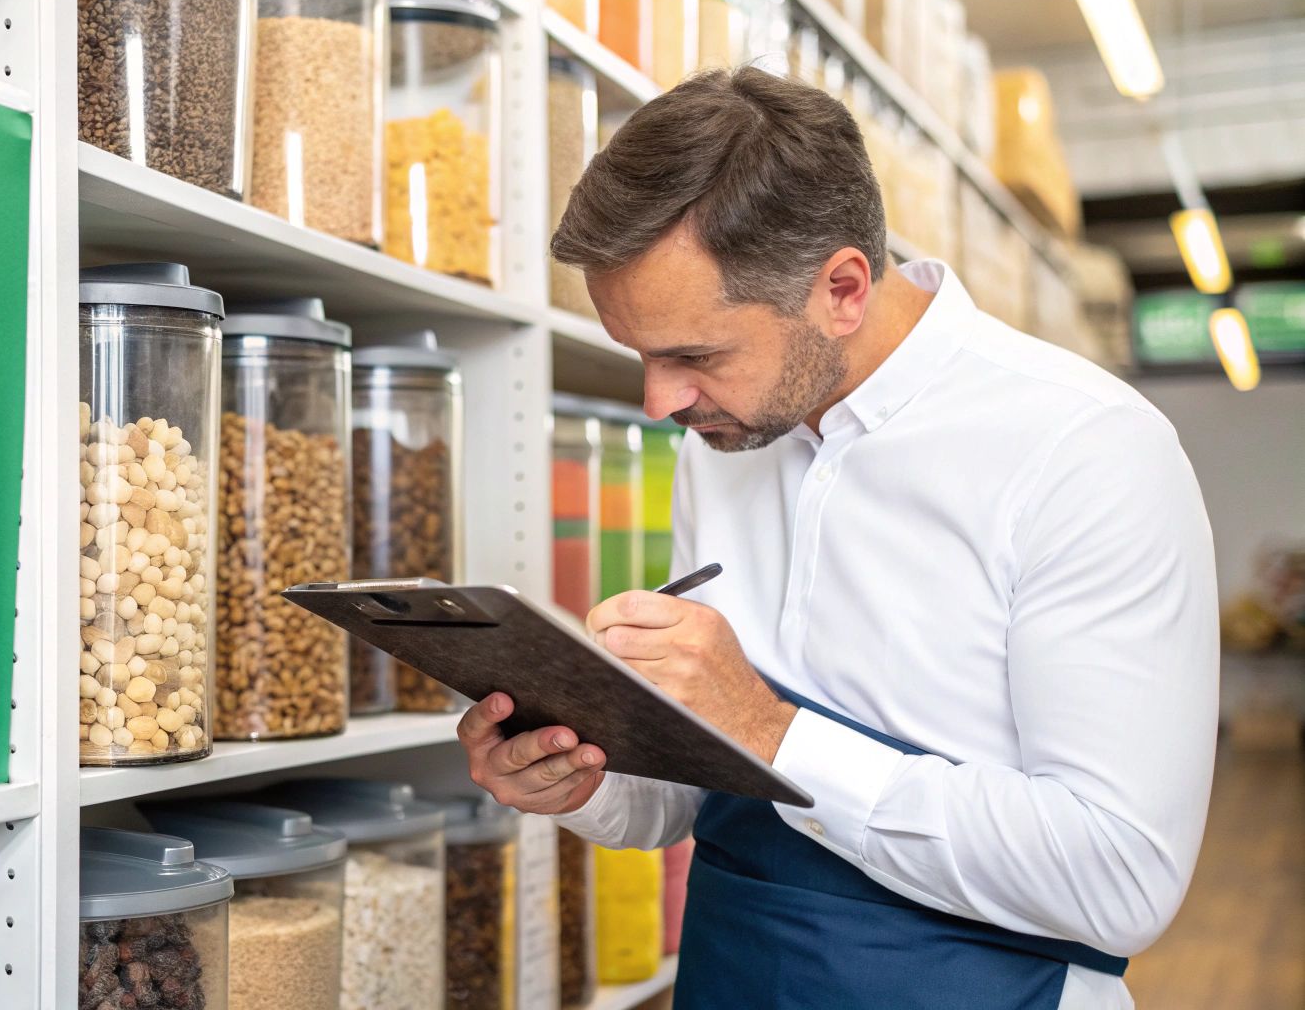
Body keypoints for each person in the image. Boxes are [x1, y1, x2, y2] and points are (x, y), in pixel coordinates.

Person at [457, 67, 1217, 1010]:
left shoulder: (1086, 451)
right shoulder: (725, 437)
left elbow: (1118, 880)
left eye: (694, 355)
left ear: (843, 288)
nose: (660, 403)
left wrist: (771, 728)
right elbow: (692, 795)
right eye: (642, 356)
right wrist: (582, 776)